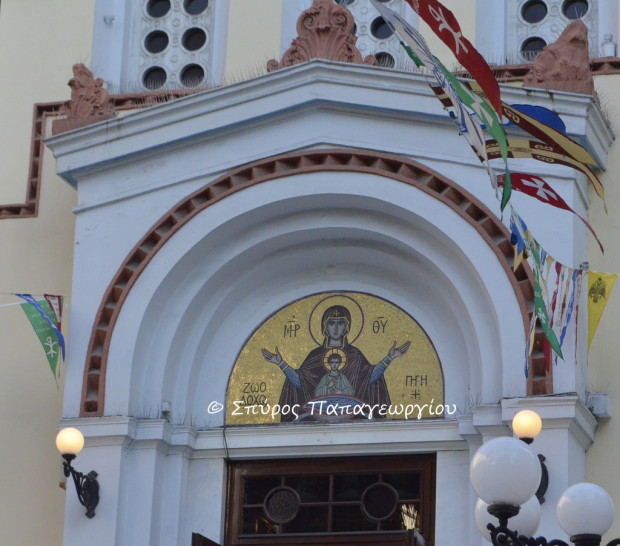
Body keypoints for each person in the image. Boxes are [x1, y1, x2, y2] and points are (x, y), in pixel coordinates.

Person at [261, 304, 410, 421]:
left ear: (347, 327)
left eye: (340, 323)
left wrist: (389, 358)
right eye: (332, 323)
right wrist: (280, 363)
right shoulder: (315, 355)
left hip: (350, 411)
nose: (336, 328)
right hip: (320, 412)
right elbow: (300, 382)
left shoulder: (355, 355)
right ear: (325, 327)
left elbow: (369, 378)